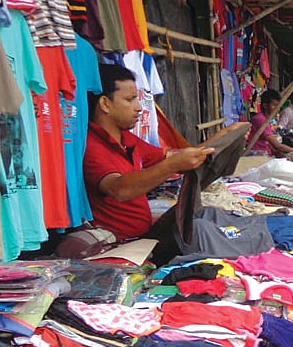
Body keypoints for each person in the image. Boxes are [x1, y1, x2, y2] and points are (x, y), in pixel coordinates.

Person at [83, 64, 214, 243]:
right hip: (115, 245)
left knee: (208, 218)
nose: (138, 108)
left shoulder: (127, 139)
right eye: (130, 100)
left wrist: (222, 138)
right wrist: (173, 165)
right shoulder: (90, 145)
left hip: (142, 237)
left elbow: (172, 156)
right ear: (105, 104)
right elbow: (118, 189)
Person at [246, 89, 293, 158]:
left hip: (266, 153)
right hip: (258, 155)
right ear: (265, 106)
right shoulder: (260, 119)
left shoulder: (266, 119)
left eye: (278, 106)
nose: (277, 109)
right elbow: (277, 146)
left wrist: (280, 154)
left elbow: (271, 145)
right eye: (275, 105)